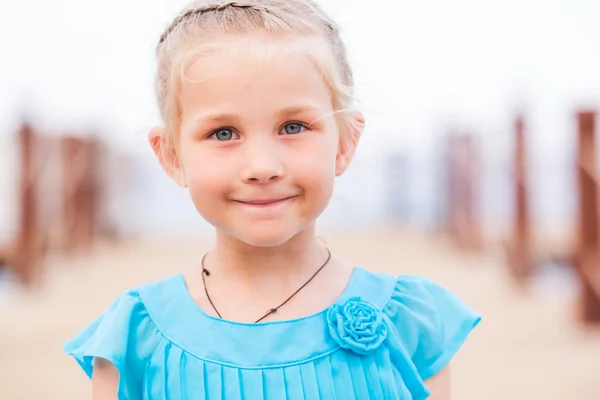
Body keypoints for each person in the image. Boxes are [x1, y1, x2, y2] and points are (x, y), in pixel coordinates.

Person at [63, 1, 481, 398]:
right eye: (223, 133)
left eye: (294, 127)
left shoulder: (408, 323)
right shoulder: (136, 337)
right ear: (172, 155)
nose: (262, 166)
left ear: (345, 143)